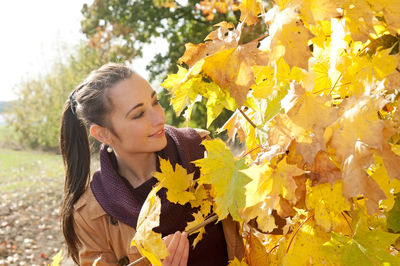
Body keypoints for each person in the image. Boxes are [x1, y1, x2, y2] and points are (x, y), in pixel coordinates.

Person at [59, 63, 244, 266]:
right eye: (138, 114)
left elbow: (267, 222)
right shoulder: (91, 215)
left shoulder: (201, 151)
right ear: (103, 134)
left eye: (155, 102)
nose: (160, 118)